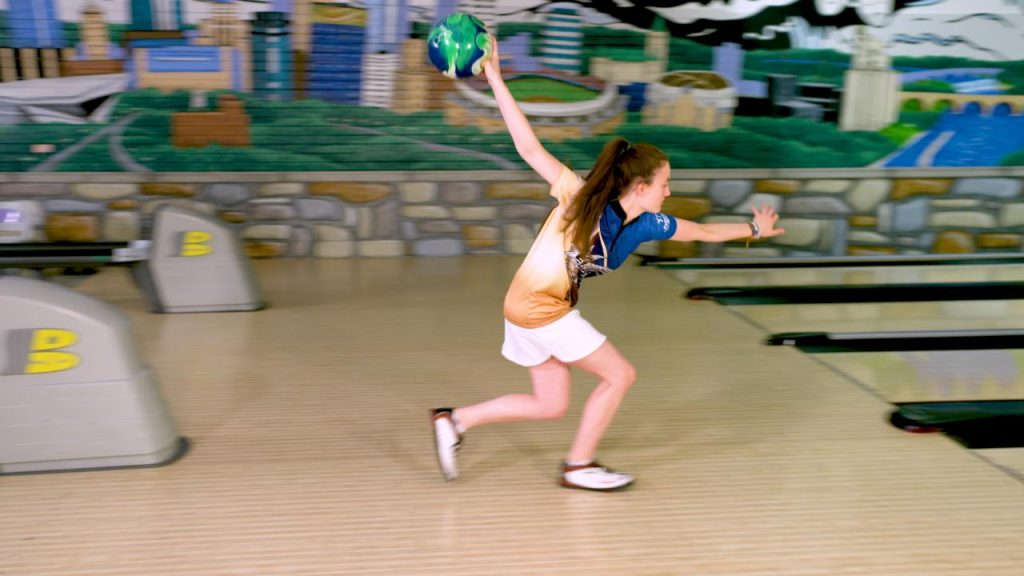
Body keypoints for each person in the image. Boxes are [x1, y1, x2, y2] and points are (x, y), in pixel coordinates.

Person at [431, 37, 785, 492]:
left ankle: (455, 421)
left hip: (525, 310)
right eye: (664, 183)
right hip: (541, 310)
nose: (668, 192)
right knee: (620, 375)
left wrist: (752, 231)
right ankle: (579, 465)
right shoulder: (579, 198)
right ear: (639, 187)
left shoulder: (645, 225)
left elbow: (701, 232)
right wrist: (496, 75)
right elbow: (529, 148)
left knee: (551, 403)